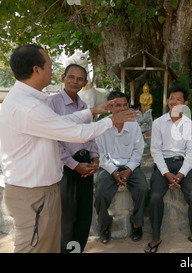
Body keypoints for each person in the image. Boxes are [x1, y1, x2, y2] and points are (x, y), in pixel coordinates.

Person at [0, 44, 138, 253]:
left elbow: (64, 122)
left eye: (80, 78)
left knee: (53, 240)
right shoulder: (31, 107)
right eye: (49, 65)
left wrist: (91, 111)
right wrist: (111, 120)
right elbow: (75, 132)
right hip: (35, 192)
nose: (52, 70)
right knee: (37, 247)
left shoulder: (30, 101)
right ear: (37, 69)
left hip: (39, 189)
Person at [146, 85, 192, 253]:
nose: (174, 102)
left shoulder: (189, 125)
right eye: (172, 98)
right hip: (163, 165)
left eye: (178, 99)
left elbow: (191, 153)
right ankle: (155, 237)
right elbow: (156, 151)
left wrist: (180, 174)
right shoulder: (158, 123)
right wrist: (166, 174)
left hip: (184, 166)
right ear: (168, 101)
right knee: (154, 197)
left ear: (185, 103)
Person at [47, 63, 100, 253]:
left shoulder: (84, 106)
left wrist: (95, 159)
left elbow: (90, 135)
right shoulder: (52, 103)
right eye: (71, 77)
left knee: (84, 216)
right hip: (66, 169)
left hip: (86, 167)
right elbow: (52, 139)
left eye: (80, 79)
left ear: (85, 82)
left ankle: (77, 251)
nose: (75, 82)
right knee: (67, 219)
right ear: (63, 77)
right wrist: (74, 164)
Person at [94, 91, 149, 244]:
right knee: (101, 194)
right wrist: (113, 172)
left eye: (125, 105)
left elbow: (138, 151)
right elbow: (101, 156)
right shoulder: (102, 127)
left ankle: (137, 222)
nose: (123, 108)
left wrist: (130, 169)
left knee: (143, 188)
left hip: (130, 166)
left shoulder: (134, 126)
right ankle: (105, 224)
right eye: (118, 105)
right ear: (110, 107)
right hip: (108, 167)